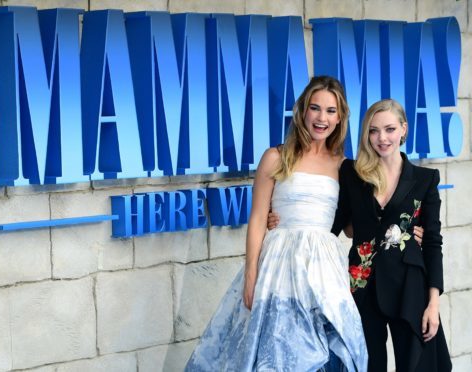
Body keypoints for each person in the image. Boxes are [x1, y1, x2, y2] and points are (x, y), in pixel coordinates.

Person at [185, 76, 368, 371]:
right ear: (303, 112)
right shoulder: (275, 157)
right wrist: (250, 275)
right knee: (279, 351)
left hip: (324, 269)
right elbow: (258, 219)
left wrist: (403, 229)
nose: (322, 118)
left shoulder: (343, 165)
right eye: (315, 108)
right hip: (279, 266)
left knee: (331, 346)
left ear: (340, 117)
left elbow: (350, 225)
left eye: (331, 111)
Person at [329, 99, 451, 371]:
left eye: (390, 129)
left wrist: (433, 304)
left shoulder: (425, 179)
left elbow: (432, 242)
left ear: (404, 130)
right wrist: (286, 224)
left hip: (410, 288)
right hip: (361, 287)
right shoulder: (352, 173)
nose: (381, 138)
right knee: (365, 365)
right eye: (373, 130)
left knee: (417, 365)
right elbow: (335, 222)